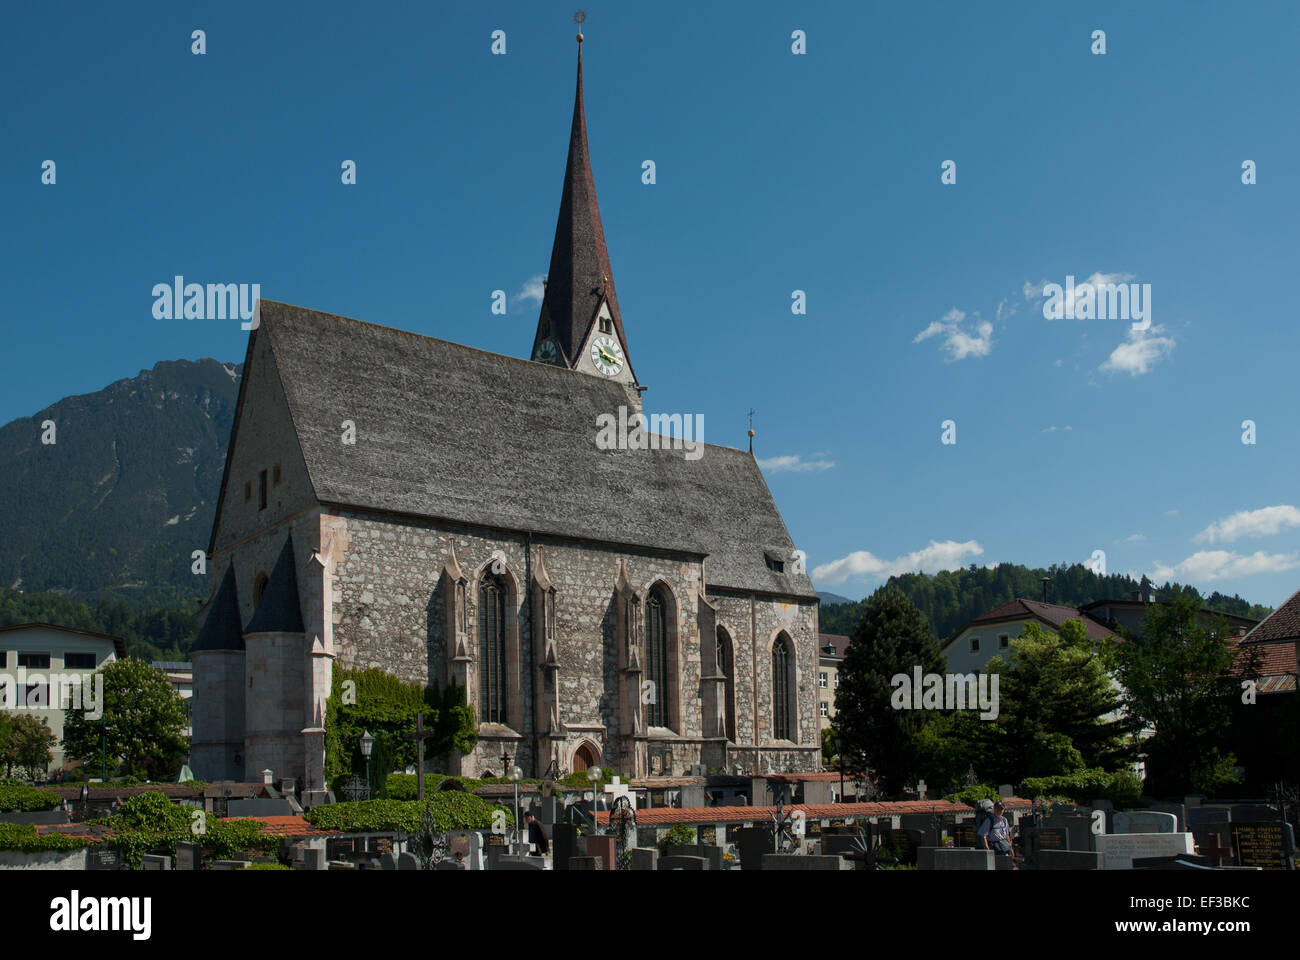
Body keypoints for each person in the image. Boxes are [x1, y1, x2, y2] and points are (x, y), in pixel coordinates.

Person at [976, 801, 1016, 868]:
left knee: (1006, 865)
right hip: (994, 847)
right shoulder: (989, 820)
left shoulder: (1004, 820)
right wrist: (987, 850)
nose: (999, 811)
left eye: (1001, 809)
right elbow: (983, 836)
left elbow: (1006, 835)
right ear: (994, 809)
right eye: (998, 809)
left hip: (1004, 846)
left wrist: (1011, 849)